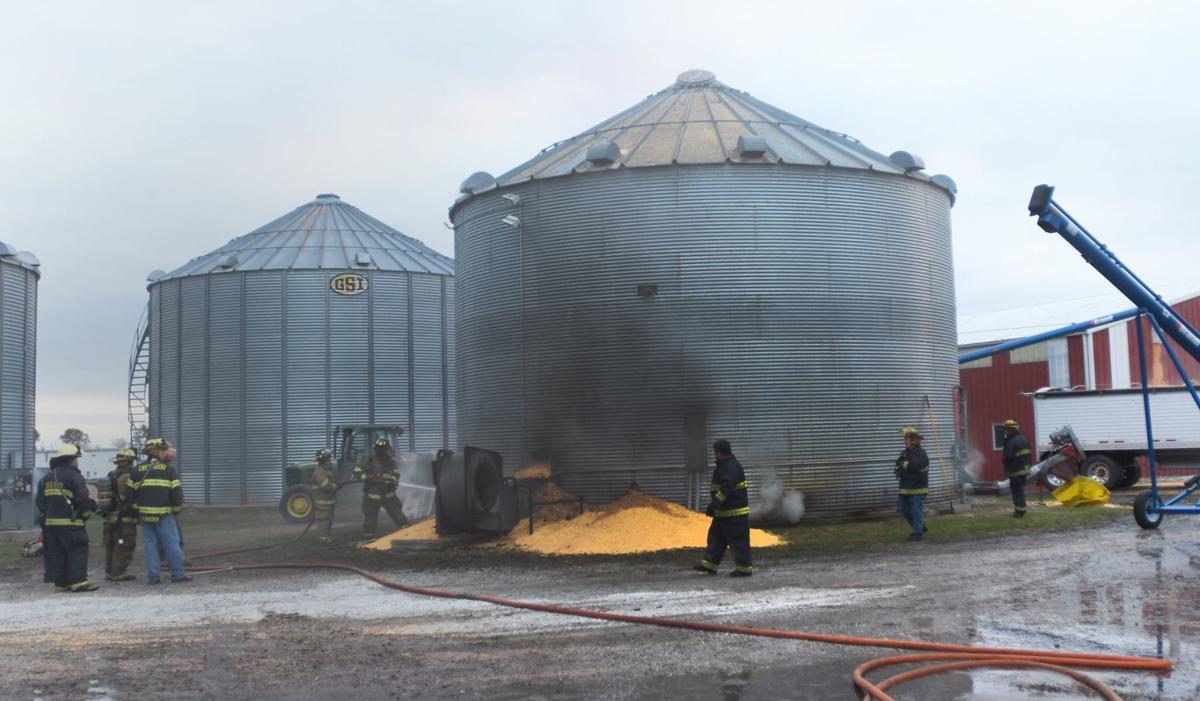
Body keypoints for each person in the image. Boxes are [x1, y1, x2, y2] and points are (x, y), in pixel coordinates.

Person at [35, 444, 99, 592]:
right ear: (72, 460)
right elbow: (83, 498)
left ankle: (61, 584)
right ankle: (78, 582)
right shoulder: (75, 476)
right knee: (77, 549)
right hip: (71, 523)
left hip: (50, 524)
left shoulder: (46, 477)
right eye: (77, 458)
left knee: (57, 553)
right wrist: (89, 508)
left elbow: (40, 502)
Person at [128, 438, 191, 583]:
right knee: (171, 544)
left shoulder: (137, 470)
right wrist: (175, 510)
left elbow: (130, 495)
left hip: (145, 516)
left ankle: (153, 576)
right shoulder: (168, 470)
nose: (164, 452)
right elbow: (176, 493)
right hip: (164, 514)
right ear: (158, 451)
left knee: (150, 546)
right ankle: (178, 574)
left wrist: (137, 511)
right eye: (163, 449)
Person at [693, 439, 753, 577]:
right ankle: (709, 566)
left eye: (716, 452)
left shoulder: (731, 467)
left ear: (721, 452)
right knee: (715, 539)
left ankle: (744, 568)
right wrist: (716, 506)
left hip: (735, 514)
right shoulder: (724, 466)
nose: (715, 455)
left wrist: (715, 504)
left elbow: (727, 488)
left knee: (738, 541)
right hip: (723, 513)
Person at [353, 437, 407, 538]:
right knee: (370, 518)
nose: (381, 451)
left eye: (383, 449)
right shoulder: (369, 460)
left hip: (388, 494)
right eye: (380, 449)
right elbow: (357, 470)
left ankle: (408, 532)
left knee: (398, 516)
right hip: (373, 496)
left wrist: (393, 479)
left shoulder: (390, 462)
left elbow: (396, 472)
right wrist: (367, 477)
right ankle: (368, 537)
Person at [103, 449, 139, 581]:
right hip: (124, 519)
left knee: (111, 544)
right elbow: (131, 497)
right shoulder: (129, 477)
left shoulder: (110, 475)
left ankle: (110, 570)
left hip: (109, 518)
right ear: (130, 461)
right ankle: (118, 572)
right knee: (124, 544)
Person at [895, 427, 930, 541]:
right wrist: (899, 467)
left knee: (916, 510)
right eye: (904, 438)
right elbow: (899, 463)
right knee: (904, 509)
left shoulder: (921, 453)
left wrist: (904, 465)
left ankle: (917, 533)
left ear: (913, 440)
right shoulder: (905, 452)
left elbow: (915, 466)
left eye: (906, 438)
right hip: (905, 487)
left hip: (917, 488)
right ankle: (920, 527)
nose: (904, 440)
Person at [1001, 419, 1032, 518]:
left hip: (1015, 471)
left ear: (1009, 430)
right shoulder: (1023, 439)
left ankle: (1019, 512)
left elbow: (1008, 456)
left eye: (1005, 430)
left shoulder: (1011, 441)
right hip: (1024, 470)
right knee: (1020, 490)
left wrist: (1005, 465)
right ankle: (1021, 510)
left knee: (1017, 491)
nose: (1004, 432)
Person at [311, 448, 338, 543]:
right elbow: (326, 486)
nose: (329, 461)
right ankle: (323, 537)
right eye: (328, 459)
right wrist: (335, 486)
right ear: (323, 461)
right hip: (322, 501)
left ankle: (327, 536)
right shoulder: (319, 472)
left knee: (329, 519)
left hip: (328, 501)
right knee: (324, 519)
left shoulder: (327, 471)